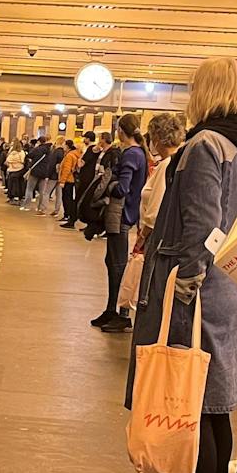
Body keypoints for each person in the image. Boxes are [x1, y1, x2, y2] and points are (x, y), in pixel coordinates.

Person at [124, 67, 237, 473]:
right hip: (227, 290)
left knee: (192, 409)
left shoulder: (204, 145)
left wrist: (185, 281)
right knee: (214, 409)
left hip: (196, 292)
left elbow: (201, 223)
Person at [117, 113, 186, 322]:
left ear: (156, 137)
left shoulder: (167, 165)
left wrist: (142, 237)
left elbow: (155, 208)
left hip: (154, 237)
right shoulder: (169, 162)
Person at [92, 116, 148, 332]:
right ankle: (111, 310)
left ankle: (120, 313)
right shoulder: (139, 153)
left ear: (121, 131)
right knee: (113, 262)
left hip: (121, 216)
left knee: (117, 266)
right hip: (128, 215)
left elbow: (122, 188)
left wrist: (108, 185)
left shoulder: (131, 154)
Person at [29, 135, 61, 214]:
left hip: (52, 176)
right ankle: (57, 210)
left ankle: (42, 209)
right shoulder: (64, 152)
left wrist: (48, 175)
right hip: (61, 176)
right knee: (59, 194)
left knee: (45, 192)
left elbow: (52, 164)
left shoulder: (55, 152)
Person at [57, 139, 82, 222]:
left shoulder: (69, 155)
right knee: (69, 198)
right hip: (72, 179)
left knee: (66, 198)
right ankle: (69, 214)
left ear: (67, 146)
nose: (63, 146)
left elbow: (66, 169)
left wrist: (62, 181)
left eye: (64, 145)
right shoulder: (75, 154)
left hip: (68, 180)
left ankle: (67, 214)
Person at [5, 140, 27, 205]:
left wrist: (12, 161)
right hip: (19, 169)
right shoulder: (22, 152)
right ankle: (18, 197)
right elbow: (23, 160)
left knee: (10, 184)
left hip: (11, 169)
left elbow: (7, 160)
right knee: (19, 184)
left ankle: (10, 196)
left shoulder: (11, 153)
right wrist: (18, 161)